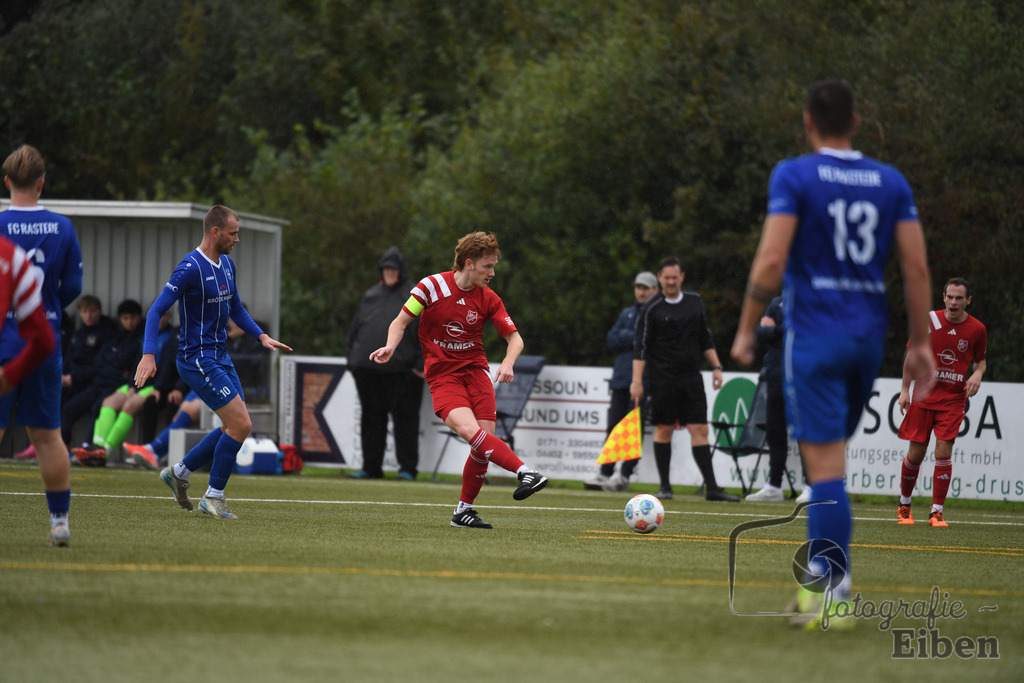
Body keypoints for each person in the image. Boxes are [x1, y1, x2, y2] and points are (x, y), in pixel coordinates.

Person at [730, 78, 935, 629]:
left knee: (825, 472)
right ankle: (828, 583)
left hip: (815, 338)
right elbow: (915, 268)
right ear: (857, 122)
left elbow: (771, 261)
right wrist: (920, 343)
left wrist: (747, 329)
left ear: (807, 122)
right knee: (831, 468)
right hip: (867, 340)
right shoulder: (890, 181)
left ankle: (831, 588)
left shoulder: (795, 174)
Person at [369, 231, 548, 529]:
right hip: (443, 376)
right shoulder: (431, 287)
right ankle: (525, 472)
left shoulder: (489, 298)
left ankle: (463, 511)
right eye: (487, 267)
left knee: (482, 447)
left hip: (476, 374)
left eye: (493, 267)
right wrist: (390, 345)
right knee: (469, 430)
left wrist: (507, 361)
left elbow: (515, 339)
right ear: (468, 263)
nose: (492, 273)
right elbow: (401, 322)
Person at [135, 204, 291, 519]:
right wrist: (148, 355)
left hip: (220, 356)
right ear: (215, 232)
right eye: (233, 234)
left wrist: (260, 336)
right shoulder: (190, 267)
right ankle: (213, 496)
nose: (237, 239)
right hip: (196, 359)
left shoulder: (227, 265)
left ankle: (179, 472)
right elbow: (155, 310)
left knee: (233, 425)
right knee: (241, 424)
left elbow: (236, 309)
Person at [0, 143, 83, 546]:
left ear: (7, 182)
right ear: (42, 183)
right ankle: (59, 523)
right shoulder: (62, 227)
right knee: (48, 437)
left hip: (2, 340)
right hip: (43, 340)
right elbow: (74, 287)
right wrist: (45, 307)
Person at [631, 256, 739, 503]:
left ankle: (712, 488)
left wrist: (717, 366)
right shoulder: (652, 307)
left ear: (682, 277)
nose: (670, 281)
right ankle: (665, 487)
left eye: (674, 277)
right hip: (663, 379)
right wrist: (636, 381)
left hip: (692, 378)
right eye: (666, 277)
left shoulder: (694, 302)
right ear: (660, 278)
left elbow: (705, 337)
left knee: (700, 429)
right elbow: (641, 347)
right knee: (664, 429)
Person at [896, 277, 986, 527]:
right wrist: (905, 390)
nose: (954, 302)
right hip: (924, 396)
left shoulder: (977, 329)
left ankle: (936, 511)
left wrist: (977, 374)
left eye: (959, 298)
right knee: (915, 454)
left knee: (944, 451)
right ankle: (904, 505)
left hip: (953, 400)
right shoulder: (929, 320)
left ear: (968, 300)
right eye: (950, 296)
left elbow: (981, 361)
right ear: (943, 297)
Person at [346, 246, 424, 480]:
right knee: (371, 419)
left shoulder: (414, 295)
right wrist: (352, 359)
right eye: (386, 269)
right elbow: (355, 328)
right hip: (368, 369)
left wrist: (421, 363)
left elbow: (425, 330)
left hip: (404, 372)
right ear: (381, 271)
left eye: (394, 269)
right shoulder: (371, 295)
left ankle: (407, 469)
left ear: (402, 271)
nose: (390, 272)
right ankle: (371, 468)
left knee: (406, 421)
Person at [584, 270, 658, 492]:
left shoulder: (657, 313)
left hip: (643, 381)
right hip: (620, 379)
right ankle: (605, 472)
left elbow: (649, 342)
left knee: (633, 429)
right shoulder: (627, 313)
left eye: (645, 288)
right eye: (638, 287)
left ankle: (624, 475)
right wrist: (633, 336)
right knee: (614, 427)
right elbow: (612, 339)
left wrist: (630, 336)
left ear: (655, 290)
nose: (641, 291)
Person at [744, 296, 810, 503]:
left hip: (801, 377)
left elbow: (805, 333)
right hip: (774, 377)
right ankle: (774, 486)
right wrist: (783, 330)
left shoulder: (812, 298)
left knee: (805, 434)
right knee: (775, 433)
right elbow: (760, 333)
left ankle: (811, 486)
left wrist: (777, 329)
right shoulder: (777, 302)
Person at [63, 299, 143, 463]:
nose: (129, 322)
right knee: (68, 409)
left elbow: (129, 366)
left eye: (132, 317)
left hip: (116, 386)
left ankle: (90, 448)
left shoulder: (138, 340)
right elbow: (99, 363)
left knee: (98, 407)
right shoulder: (114, 338)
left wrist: (120, 374)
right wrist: (117, 371)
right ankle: (62, 449)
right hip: (98, 383)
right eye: (125, 318)